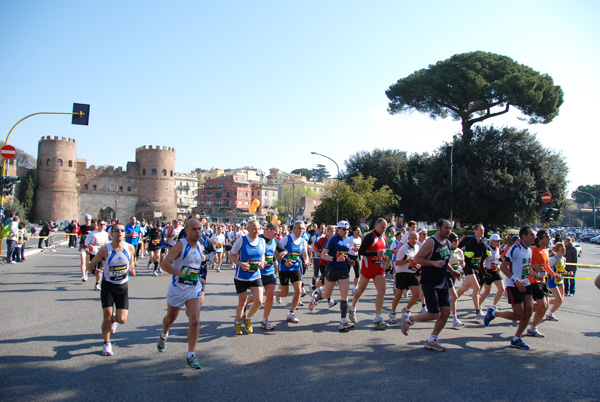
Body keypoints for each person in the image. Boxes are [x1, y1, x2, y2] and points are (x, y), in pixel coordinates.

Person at [400, 220, 460, 352]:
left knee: (445, 312)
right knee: (433, 314)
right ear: (438, 228)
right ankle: (408, 319)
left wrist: (453, 271)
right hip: (429, 281)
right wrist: (433, 263)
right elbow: (417, 259)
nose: (448, 231)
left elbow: (444, 261)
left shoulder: (448, 243)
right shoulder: (431, 242)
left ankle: (432, 340)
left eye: (449, 228)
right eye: (445, 228)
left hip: (442, 280)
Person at [157, 218, 206, 369]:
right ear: (186, 231)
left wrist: (199, 277)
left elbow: (198, 264)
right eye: (194, 229)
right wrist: (181, 273)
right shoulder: (180, 246)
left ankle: (191, 356)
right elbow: (164, 264)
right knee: (171, 318)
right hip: (177, 288)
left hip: (193, 288)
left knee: (195, 321)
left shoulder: (201, 247)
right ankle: (164, 334)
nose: (198, 232)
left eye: (199, 229)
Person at [87, 222, 136, 356]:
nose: (119, 232)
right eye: (116, 230)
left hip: (122, 286)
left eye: (121, 230)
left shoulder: (130, 248)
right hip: (108, 286)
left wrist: (131, 269)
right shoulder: (105, 250)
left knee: (122, 319)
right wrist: (94, 272)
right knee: (107, 316)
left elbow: (131, 262)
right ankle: (106, 343)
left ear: (124, 234)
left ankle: (114, 321)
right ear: (111, 234)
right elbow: (90, 265)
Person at [483, 226, 536, 350]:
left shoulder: (530, 250)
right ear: (523, 236)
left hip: (526, 283)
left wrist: (537, 274)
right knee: (518, 315)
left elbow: (527, 269)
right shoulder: (515, 249)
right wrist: (516, 280)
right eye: (531, 235)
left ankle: (516, 338)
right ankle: (494, 313)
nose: (534, 237)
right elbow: (503, 267)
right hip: (514, 285)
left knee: (528, 312)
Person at [308, 220, 355, 331]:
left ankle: (343, 320)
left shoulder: (348, 240)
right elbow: (324, 255)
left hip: (343, 270)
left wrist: (349, 260)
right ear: (338, 229)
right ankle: (316, 298)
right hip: (331, 269)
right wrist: (335, 259)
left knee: (345, 296)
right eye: (344, 229)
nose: (346, 232)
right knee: (326, 294)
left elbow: (344, 254)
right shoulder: (332, 240)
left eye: (348, 230)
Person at [349, 218, 390, 329]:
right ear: (376, 225)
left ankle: (378, 317)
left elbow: (381, 252)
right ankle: (352, 307)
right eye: (382, 227)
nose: (384, 229)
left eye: (385, 227)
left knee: (382, 291)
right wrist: (375, 253)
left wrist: (384, 257)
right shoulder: (370, 236)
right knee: (360, 290)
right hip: (368, 268)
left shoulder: (383, 237)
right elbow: (361, 251)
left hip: (379, 268)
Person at [246, 221, 286, 330]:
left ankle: (265, 319)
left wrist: (284, 254)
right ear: (268, 230)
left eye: (278, 234)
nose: (277, 236)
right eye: (276, 233)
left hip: (269, 272)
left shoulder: (275, 241)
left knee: (270, 295)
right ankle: (245, 304)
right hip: (257, 273)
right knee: (257, 298)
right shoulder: (258, 239)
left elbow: (283, 250)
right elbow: (249, 251)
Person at [229, 220, 265, 335]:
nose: (256, 231)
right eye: (254, 228)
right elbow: (231, 255)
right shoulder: (241, 241)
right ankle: (238, 323)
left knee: (259, 301)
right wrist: (241, 264)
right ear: (248, 229)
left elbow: (262, 254)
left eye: (258, 228)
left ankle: (247, 317)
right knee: (242, 302)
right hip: (242, 277)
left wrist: (262, 262)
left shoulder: (262, 241)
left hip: (255, 275)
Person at [274, 220, 309, 324]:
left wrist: (306, 261)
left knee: (298, 290)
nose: (301, 230)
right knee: (284, 293)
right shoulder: (286, 239)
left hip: (296, 268)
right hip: (284, 268)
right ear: (293, 229)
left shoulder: (303, 241)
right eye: (299, 228)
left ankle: (291, 313)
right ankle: (271, 293)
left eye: (303, 228)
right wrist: (284, 262)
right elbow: (276, 253)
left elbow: (305, 254)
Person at [455, 224, 487, 318]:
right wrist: (464, 255)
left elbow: (485, 253)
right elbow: (457, 248)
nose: (482, 232)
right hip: (468, 266)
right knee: (476, 288)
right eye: (480, 230)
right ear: (475, 231)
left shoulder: (484, 240)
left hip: (477, 266)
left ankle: (450, 301)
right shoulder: (468, 239)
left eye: (483, 230)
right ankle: (478, 311)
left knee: (465, 288)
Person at [389, 231, 420, 324]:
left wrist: (418, 264)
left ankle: (406, 309)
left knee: (416, 294)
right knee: (399, 295)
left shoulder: (417, 247)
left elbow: (417, 260)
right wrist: (407, 261)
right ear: (408, 239)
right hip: (402, 274)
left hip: (411, 273)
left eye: (416, 238)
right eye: (412, 238)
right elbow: (397, 262)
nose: (414, 240)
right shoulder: (403, 248)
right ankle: (393, 312)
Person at [526, 230, 551, 338]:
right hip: (533, 280)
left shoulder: (546, 251)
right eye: (547, 237)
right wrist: (534, 266)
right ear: (541, 238)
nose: (549, 239)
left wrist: (554, 275)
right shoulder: (533, 249)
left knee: (545, 306)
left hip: (543, 280)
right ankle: (523, 310)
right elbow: (525, 263)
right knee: (542, 305)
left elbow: (546, 267)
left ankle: (533, 328)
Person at [478, 234, 505, 312]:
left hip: (495, 271)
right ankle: (478, 306)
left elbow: (498, 258)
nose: (498, 242)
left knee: (501, 289)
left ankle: (494, 305)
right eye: (497, 241)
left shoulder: (498, 249)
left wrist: (504, 262)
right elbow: (481, 261)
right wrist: (484, 272)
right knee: (487, 291)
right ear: (492, 241)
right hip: (488, 272)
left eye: (499, 241)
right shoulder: (488, 249)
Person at [85, 220, 110, 291]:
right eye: (101, 224)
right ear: (97, 225)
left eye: (104, 224)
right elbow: (86, 242)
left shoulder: (105, 234)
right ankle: (90, 272)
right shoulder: (93, 234)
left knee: (100, 269)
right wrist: (91, 246)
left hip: (102, 253)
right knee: (91, 267)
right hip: (93, 253)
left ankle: (97, 284)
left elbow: (106, 242)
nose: (102, 226)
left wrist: (107, 245)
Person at [447, 233, 465, 328]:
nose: (457, 242)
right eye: (454, 240)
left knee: (449, 297)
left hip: (454, 276)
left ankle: (444, 313)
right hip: (446, 275)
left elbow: (463, 264)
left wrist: (462, 263)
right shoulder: (447, 251)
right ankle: (454, 318)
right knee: (454, 296)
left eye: (458, 240)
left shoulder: (459, 251)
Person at [546, 242, 566, 321]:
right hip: (552, 281)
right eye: (562, 249)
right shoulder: (553, 259)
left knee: (561, 300)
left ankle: (550, 314)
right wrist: (554, 275)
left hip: (560, 281)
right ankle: (542, 304)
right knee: (558, 300)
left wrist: (568, 273)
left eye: (564, 249)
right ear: (557, 250)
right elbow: (546, 268)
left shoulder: (564, 259)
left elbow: (563, 270)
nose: (564, 251)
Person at [78, 215, 95, 282]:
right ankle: (83, 276)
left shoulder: (93, 227)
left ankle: (86, 273)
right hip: (82, 246)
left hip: (89, 246)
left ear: (90, 220)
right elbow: (79, 234)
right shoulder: (82, 227)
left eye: (89, 220)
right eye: (86, 220)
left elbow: (96, 236)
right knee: (82, 260)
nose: (87, 221)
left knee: (88, 262)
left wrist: (91, 234)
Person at [347, 226, 362, 294]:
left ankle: (355, 287)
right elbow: (346, 247)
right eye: (357, 230)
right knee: (347, 272)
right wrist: (352, 249)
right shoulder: (350, 238)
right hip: (350, 256)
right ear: (353, 231)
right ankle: (345, 286)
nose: (359, 232)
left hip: (356, 257)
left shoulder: (359, 239)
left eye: (359, 230)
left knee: (357, 273)